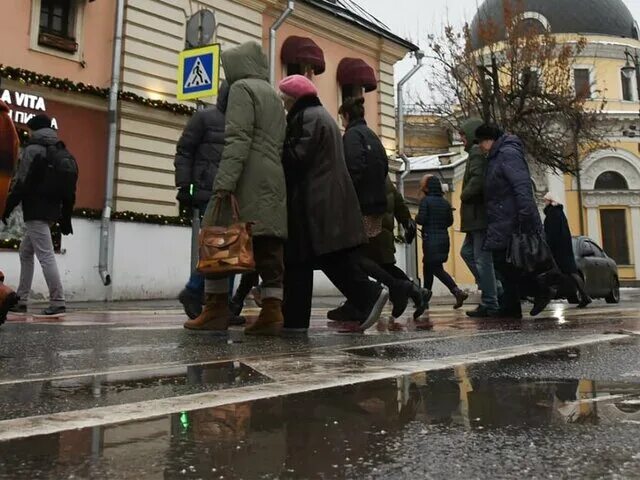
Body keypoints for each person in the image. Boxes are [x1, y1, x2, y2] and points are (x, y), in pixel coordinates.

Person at [183, 41, 287, 336]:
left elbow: (237, 140)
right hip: (273, 177)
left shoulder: (242, 90)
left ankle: (214, 309)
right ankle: (272, 312)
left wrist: (223, 184)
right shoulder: (273, 95)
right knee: (268, 246)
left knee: (218, 237)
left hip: (246, 178)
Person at [278, 75, 389, 332]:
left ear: (293, 98)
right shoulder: (319, 115)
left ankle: (368, 293)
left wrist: (277, 146)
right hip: (322, 198)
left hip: (316, 201)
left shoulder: (308, 117)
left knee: (314, 257)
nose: (284, 104)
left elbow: (297, 158)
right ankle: (295, 321)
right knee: (308, 258)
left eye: (285, 99)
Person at [338, 97, 422, 320]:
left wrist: (346, 198)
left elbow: (352, 169)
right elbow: (384, 169)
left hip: (360, 206)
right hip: (376, 206)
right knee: (361, 255)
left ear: (346, 116)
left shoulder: (352, 136)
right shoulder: (373, 136)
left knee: (353, 257)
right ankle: (369, 298)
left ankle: (397, 287)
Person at [2, 114, 76, 316]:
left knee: (45, 255)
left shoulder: (32, 149)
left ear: (34, 129)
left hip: (35, 210)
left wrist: (7, 206)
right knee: (26, 251)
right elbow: (69, 189)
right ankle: (22, 298)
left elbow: (21, 181)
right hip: (51, 212)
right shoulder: (60, 150)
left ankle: (58, 300)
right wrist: (65, 216)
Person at [476, 123, 553, 318]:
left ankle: (540, 290)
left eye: (480, 143)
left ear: (488, 140)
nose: (480, 147)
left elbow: (521, 185)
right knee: (504, 263)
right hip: (502, 218)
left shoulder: (507, 154)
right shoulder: (496, 156)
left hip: (513, 219)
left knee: (512, 263)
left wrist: (525, 215)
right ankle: (511, 307)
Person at [174, 81, 230, 320]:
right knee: (216, 246)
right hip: (209, 191)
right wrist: (185, 185)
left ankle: (220, 302)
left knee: (232, 249)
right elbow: (184, 150)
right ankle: (195, 290)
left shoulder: (241, 121)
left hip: (231, 193)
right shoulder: (204, 118)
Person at [458, 118, 500, 318]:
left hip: (478, 217)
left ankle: (491, 301)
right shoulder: (475, 153)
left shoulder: (475, 153)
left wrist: (464, 194)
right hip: (475, 218)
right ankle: (495, 289)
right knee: (467, 253)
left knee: (482, 261)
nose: (461, 139)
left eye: (463, 135)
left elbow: (478, 180)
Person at [416, 175, 468, 309]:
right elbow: (450, 222)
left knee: (435, 268)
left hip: (430, 240)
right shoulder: (445, 203)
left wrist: (416, 217)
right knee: (428, 268)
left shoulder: (426, 201)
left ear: (427, 187)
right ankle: (424, 300)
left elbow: (421, 219)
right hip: (444, 239)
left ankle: (457, 291)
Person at [543, 192, 591, 308]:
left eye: (545, 200)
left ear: (550, 201)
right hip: (564, 248)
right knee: (570, 272)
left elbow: (551, 234)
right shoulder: (558, 212)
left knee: (562, 272)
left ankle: (545, 297)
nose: (544, 202)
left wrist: (548, 246)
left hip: (558, 249)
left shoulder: (552, 213)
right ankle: (584, 296)